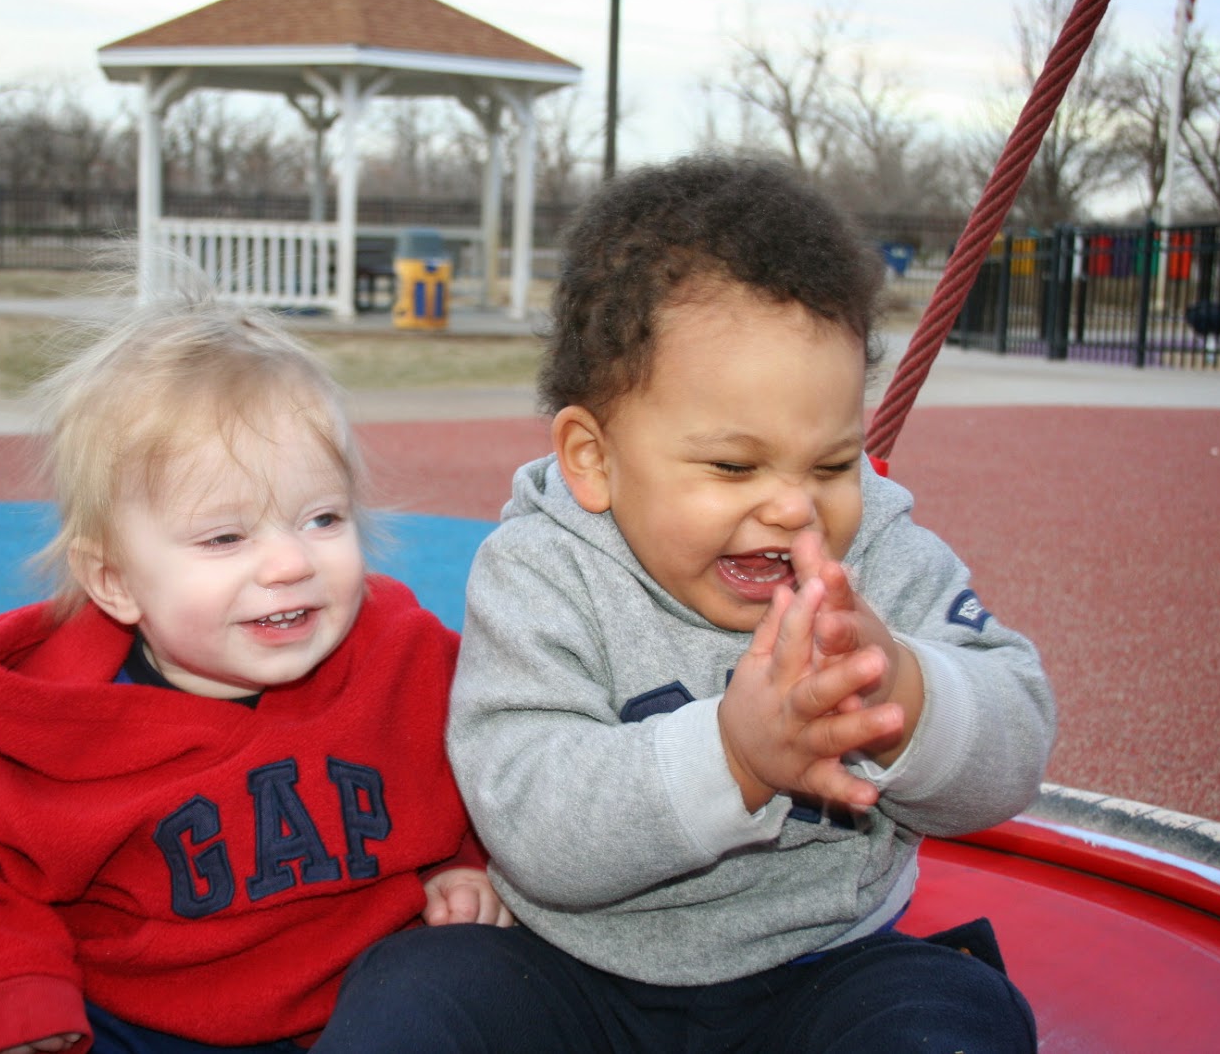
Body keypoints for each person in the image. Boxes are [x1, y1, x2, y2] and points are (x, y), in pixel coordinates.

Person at [315, 155, 1056, 1052]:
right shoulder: (541, 572)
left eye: (832, 463)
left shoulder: (877, 557)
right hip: (571, 967)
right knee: (411, 997)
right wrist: (733, 756)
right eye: (735, 466)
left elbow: (1016, 739)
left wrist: (901, 690)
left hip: (827, 963)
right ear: (593, 459)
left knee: (954, 1017)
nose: (795, 507)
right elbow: (532, 819)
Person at [0, 296, 510, 1054]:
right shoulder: (53, 730)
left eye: (323, 518)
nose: (290, 562)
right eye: (225, 536)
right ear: (115, 581)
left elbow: (501, 764)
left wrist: (465, 866)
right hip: (146, 1022)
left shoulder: (406, 663)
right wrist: (8, 1003)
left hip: (372, 1002)